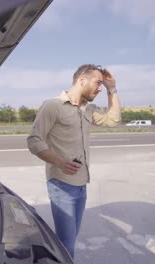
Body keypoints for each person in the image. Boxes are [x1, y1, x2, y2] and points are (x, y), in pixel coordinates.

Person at [26, 64, 121, 258]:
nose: (100, 88)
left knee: (68, 242)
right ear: (81, 80)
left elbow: (113, 120)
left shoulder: (88, 110)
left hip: (81, 185)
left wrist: (113, 90)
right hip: (61, 185)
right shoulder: (53, 106)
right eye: (98, 83)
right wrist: (59, 162)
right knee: (66, 245)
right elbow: (34, 141)